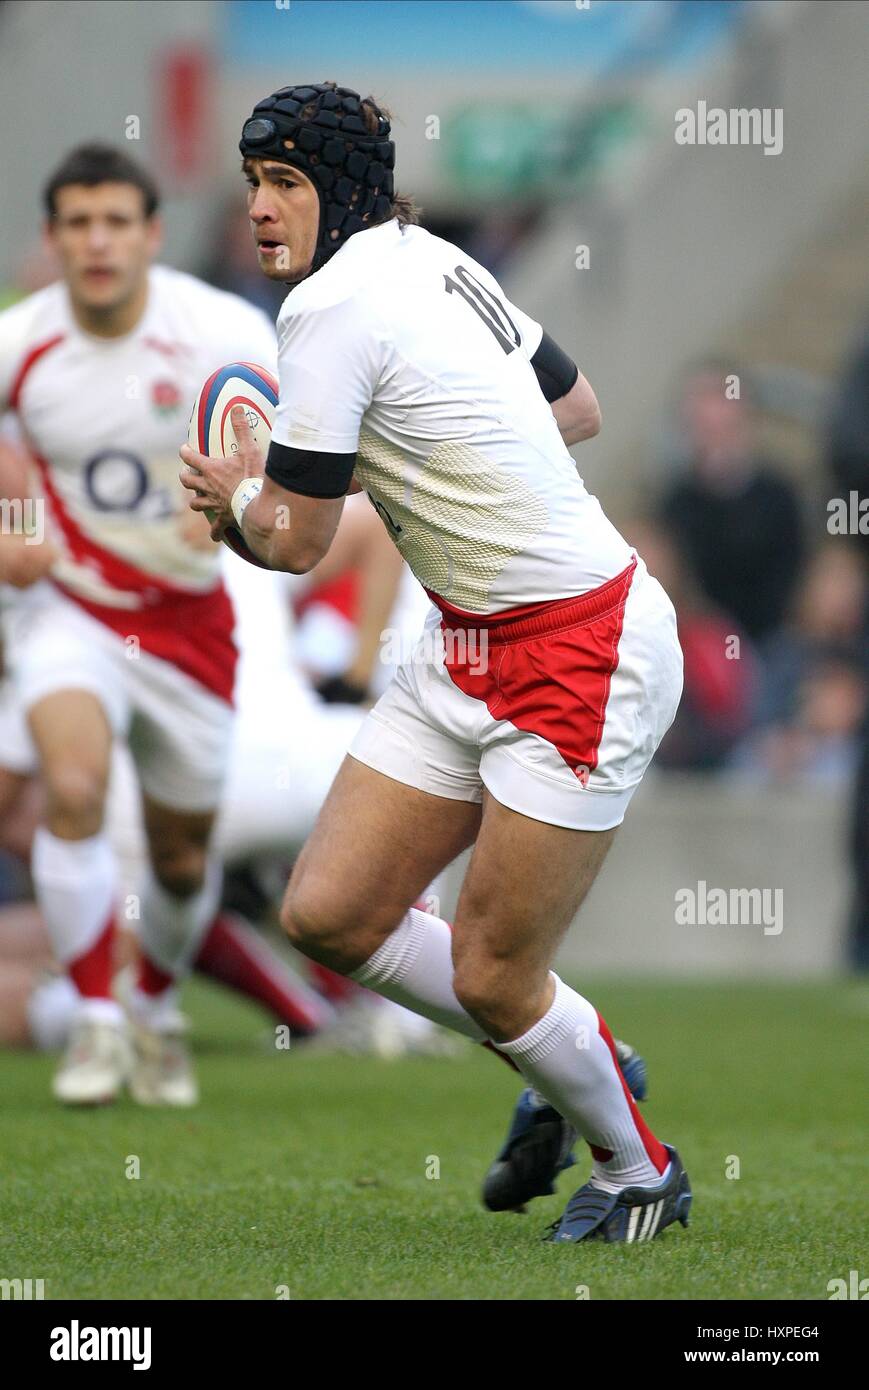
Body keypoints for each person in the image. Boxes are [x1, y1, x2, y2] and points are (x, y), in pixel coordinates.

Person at [181, 81, 690, 1244]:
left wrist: (231, 506)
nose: (260, 207)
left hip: (581, 648)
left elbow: (295, 545)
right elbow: (573, 405)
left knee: (494, 974)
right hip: (464, 643)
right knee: (328, 912)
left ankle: (634, 1167)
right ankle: (576, 1059)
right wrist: (401, 451)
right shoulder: (431, 256)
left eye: (287, 183)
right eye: (253, 181)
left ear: (342, 190)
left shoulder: (324, 311)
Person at [0, 144, 277, 1106]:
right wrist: (17, 529)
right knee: (71, 788)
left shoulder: (220, 330)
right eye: (78, 223)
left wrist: (234, 501)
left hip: (190, 624)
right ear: (53, 238)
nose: (98, 240)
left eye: (116, 221)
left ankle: (153, 1011)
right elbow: (5, 471)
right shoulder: (21, 341)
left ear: (152, 235)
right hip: (67, 611)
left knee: (179, 854)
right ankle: (95, 1024)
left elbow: (285, 448)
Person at [658, 361, 805, 646]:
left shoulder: (780, 497)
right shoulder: (675, 505)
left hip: (770, 643)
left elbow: (794, 588)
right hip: (699, 649)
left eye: (724, 426)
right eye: (704, 426)